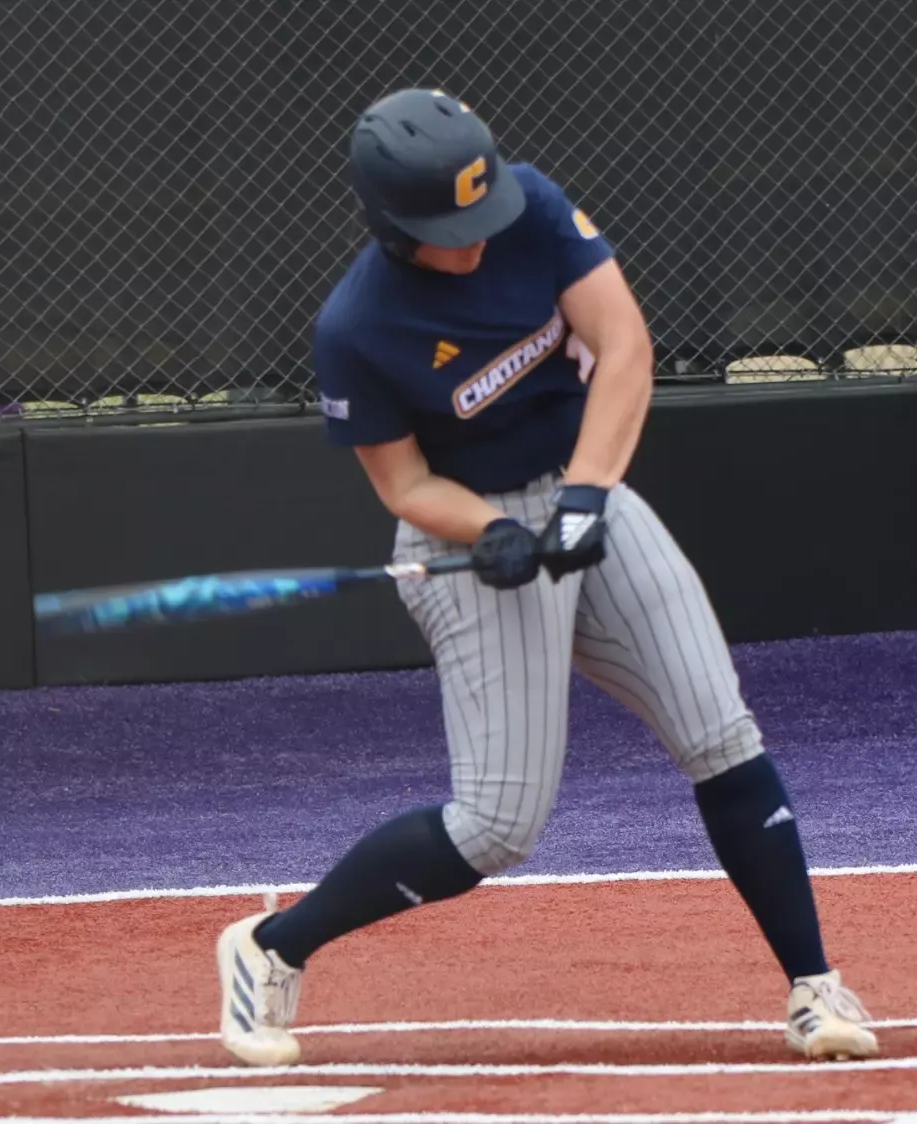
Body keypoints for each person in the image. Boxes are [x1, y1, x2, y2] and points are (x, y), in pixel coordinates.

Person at [214, 87, 878, 1067]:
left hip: (584, 487)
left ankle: (814, 986)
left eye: (482, 215)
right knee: (496, 824)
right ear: (393, 227)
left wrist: (586, 491)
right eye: (451, 229)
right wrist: (490, 528)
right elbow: (403, 482)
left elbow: (623, 345)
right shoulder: (357, 324)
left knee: (719, 728)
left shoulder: (527, 205)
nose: (479, 240)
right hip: (475, 545)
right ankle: (270, 947)